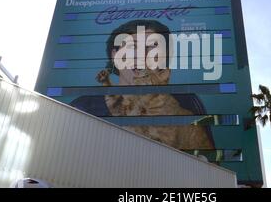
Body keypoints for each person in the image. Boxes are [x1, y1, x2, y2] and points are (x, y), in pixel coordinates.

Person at [70, 19, 214, 150]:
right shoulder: (83, 107)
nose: (142, 55)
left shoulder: (186, 102)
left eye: (152, 48)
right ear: (115, 55)